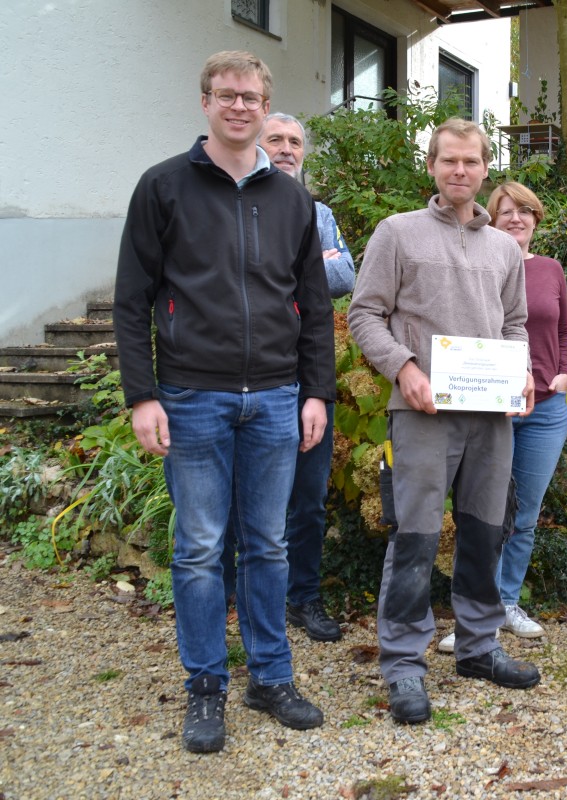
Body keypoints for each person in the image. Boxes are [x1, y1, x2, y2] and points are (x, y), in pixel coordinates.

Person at [113, 51, 333, 753]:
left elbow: (316, 308)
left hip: (274, 397)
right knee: (202, 548)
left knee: (268, 545)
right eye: (227, 95)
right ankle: (205, 687)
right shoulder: (164, 187)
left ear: (266, 107)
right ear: (205, 101)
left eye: (252, 97)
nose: (240, 106)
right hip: (193, 396)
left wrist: (315, 391)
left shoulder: (294, 200)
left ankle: (271, 677)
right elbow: (130, 301)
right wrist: (142, 396)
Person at [348, 118, 541, 726]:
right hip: (423, 411)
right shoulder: (397, 234)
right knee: (416, 535)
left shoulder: (505, 249)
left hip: (489, 415)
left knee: (486, 530)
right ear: (431, 165)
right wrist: (403, 369)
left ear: (486, 169)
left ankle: (479, 648)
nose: (460, 171)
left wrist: (523, 372)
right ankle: (404, 661)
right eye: (448, 161)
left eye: (472, 162)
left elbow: (514, 325)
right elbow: (364, 314)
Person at [220, 112, 355, 642]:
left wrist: (291, 273)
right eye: (275, 138)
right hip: (241, 379)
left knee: (307, 500)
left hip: (307, 379)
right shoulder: (232, 204)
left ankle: (304, 598)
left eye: (295, 141)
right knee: (238, 498)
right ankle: (233, 597)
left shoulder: (317, 212)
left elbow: (344, 276)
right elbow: (237, 281)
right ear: (257, 141)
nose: (286, 148)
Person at [437, 182, 567, 654]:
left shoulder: (551, 269)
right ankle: (474, 614)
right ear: (489, 217)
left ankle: (506, 603)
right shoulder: (479, 263)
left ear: (536, 218)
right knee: (481, 514)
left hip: (546, 410)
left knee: (526, 515)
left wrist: (565, 374)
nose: (515, 218)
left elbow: (562, 331)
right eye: (505, 210)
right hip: (490, 404)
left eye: (524, 211)